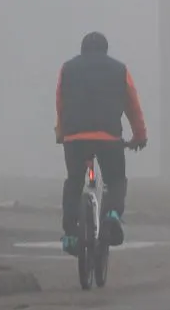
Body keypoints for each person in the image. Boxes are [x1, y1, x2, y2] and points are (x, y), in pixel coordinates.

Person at [54, 32, 147, 255]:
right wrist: (139, 136)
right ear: (105, 50)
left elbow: (61, 103)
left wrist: (61, 133)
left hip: (75, 139)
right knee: (115, 180)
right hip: (108, 138)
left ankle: (70, 234)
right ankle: (112, 215)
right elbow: (132, 105)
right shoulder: (119, 70)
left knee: (74, 182)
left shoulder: (67, 69)